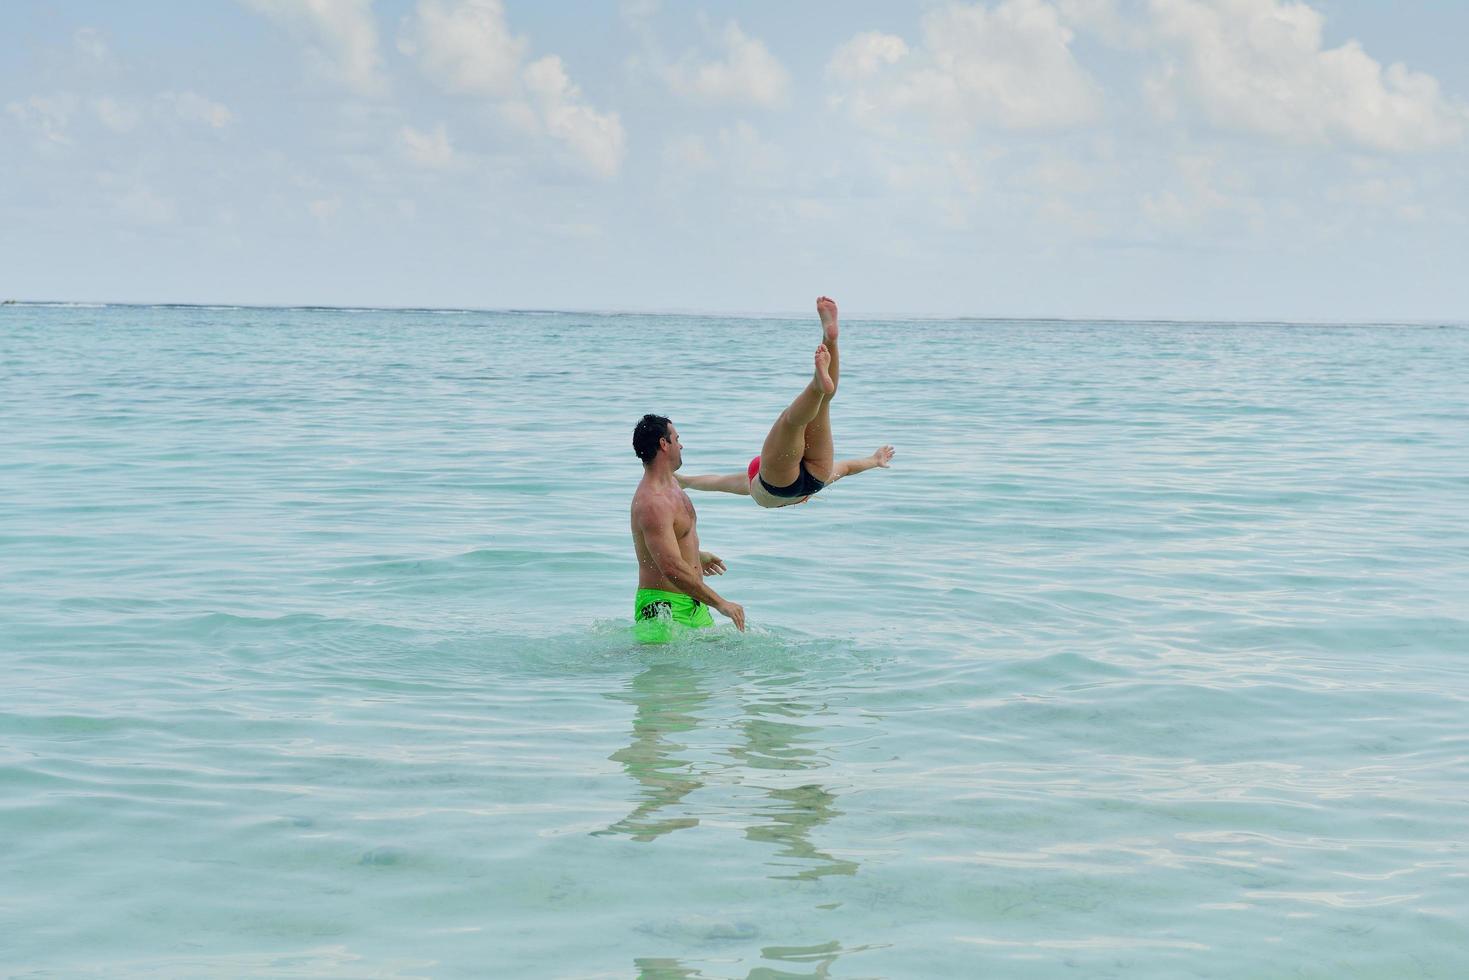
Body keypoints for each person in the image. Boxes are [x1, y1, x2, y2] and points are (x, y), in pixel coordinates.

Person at [676, 296, 895, 508]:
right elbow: (717, 482)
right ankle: (821, 370)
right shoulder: (750, 483)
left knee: (823, 403)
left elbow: (846, 468)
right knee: (791, 421)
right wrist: (686, 480)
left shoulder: (765, 487)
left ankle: (829, 347)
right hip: (777, 483)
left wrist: (874, 460)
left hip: (817, 479)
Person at [631, 414, 746, 642]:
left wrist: (696, 556)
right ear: (664, 444)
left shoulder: (672, 483)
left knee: (709, 672)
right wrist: (721, 603)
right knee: (664, 677)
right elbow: (671, 567)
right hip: (663, 609)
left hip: (694, 602)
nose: (681, 445)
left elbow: (669, 545)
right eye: (676, 438)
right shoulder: (652, 502)